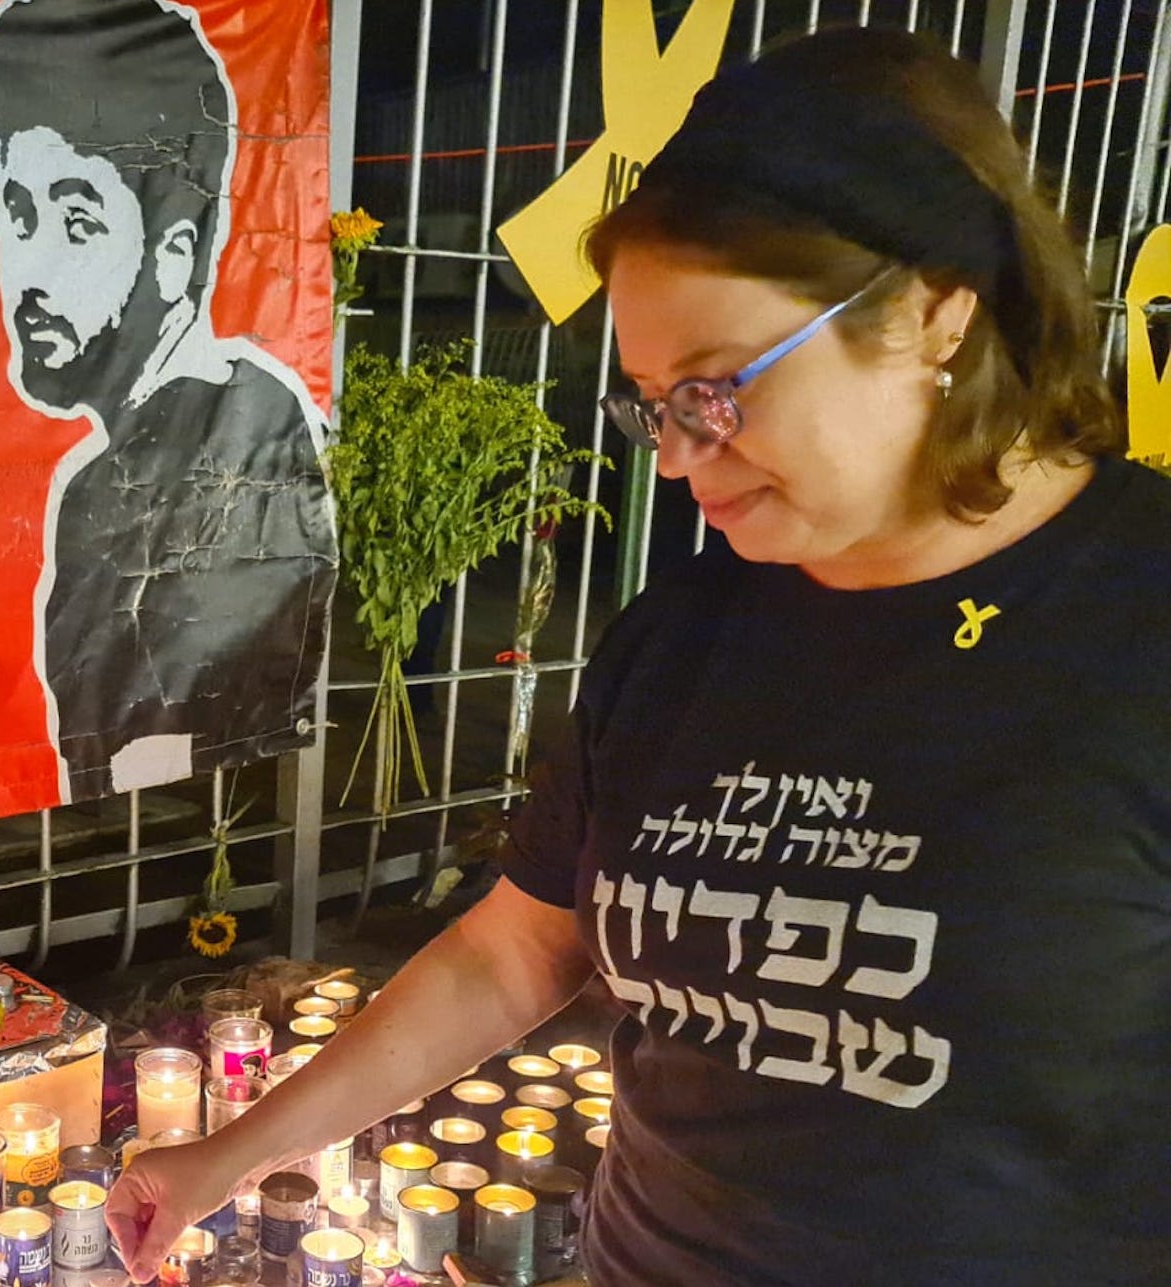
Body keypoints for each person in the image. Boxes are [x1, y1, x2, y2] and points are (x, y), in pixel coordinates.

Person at [108, 27, 1171, 1285]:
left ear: (935, 315)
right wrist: (228, 1154)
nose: (674, 458)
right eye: (653, 404)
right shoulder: (690, 632)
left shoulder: (1133, 622)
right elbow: (516, 950)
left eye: (719, 390)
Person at [0, 0, 339, 804]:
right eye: (17, 217)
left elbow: (144, 760)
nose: (30, 271)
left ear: (175, 254)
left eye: (78, 221)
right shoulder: (241, 412)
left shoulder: (181, 457)